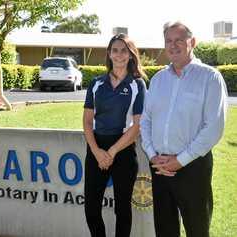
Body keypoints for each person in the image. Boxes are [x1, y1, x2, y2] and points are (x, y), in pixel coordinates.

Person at [140, 21, 228, 237]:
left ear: (192, 42)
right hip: (160, 167)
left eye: (179, 40)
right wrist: (152, 155)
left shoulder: (210, 77)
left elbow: (213, 127)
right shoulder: (159, 79)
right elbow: (146, 120)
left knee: (197, 229)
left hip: (192, 167)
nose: (173, 45)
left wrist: (180, 160)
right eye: (168, 41)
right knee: (165, 229)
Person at [83, 33, 146, 237]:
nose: (119, 55)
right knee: (91, 207)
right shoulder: (96, 83)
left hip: (124, 148)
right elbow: (86, 121)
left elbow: (137, 126)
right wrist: (97, 152)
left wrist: (111, 152)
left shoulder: (138, 84)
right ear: (109, 54)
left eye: (123, 50)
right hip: (96, 148)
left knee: (122, 210)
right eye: (115, 50)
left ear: (130, 55)